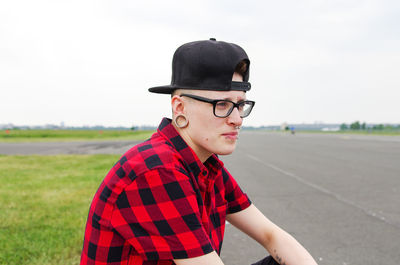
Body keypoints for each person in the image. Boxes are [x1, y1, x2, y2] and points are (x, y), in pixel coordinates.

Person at [80, 38, 318, 265]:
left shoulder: (207, 167)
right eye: (222, 105)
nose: (237, 119)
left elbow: (271, 235)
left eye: (241, 105)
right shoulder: (156, 168)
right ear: (180, 107)